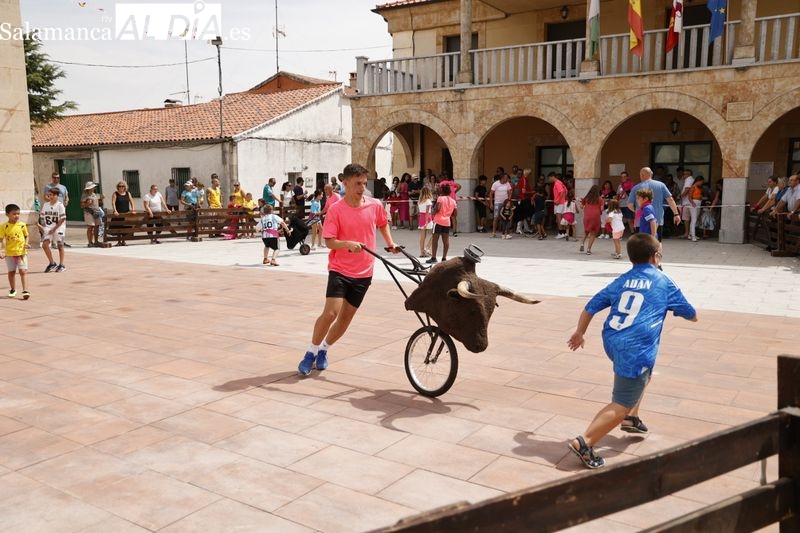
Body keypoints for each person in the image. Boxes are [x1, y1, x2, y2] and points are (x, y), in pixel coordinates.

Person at [567, 233, 697, 469]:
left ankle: (631, 418)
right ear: (655, 257)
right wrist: (680, 311)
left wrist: (580, 332)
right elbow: (692, 314)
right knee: (621, 401)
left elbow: (590, 307)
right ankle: (584, 442)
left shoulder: (622, 280)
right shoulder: (664, 281)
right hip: (635, 349)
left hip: (612, 341)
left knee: (643, 376)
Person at [297, 163, 399, 376]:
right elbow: (330, 242)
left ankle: (324, 350)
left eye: (364, 183)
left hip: (364, 272)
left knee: (345, 319)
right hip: (340, 270)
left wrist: (390, 243)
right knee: (330, 313)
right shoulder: (336, 209)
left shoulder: (374, 205)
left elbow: (382, 223)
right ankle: (310, 352)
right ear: (345, 183)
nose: (362, 188)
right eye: (357, 183)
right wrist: (348, 244)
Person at [627, 167, 681, 241]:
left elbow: (629, 205)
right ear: (651, 175)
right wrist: (676, 214)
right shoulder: (661, 185)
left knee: (641, 243)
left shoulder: (636, 187)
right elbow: (670, 200)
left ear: (642, 175)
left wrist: (637, 211)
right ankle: (657, 253)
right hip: (658, 220)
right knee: (657, 242)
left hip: (641, 221)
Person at [0, 204, 31, 299]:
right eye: (14, 214)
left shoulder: (22, 225)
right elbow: (2, 239)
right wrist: (2, 250)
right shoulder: (4, 226)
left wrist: (26, 243)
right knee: (11, 272)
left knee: (23, 271)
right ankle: (13, 289)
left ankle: (25, 290)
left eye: (18, 213)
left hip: (21, 252)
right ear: (7, 214)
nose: (17, 216)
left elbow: (27, 236)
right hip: (10, 253)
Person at [427, 183, 457, 263]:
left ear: (442, 191)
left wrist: (433, 212)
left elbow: (438, 208)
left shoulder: (440, 198)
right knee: (446, 241)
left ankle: (433, 258)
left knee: (435, 240)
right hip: (447, 221)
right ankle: (444, 258)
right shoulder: (453, 201)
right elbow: (455, 213)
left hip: (438, 220)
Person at [37, 189, 66, 272]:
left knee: (60, 245)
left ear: (57, 195)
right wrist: (43, 226)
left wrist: (54, 228)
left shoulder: (60, 205)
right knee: (45, 245)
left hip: (59, 227)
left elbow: (62, 219)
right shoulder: (46, 205)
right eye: (49, 195)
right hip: (49, 228)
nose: (50, 196)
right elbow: (42, 217)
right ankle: (52, 263)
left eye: (52, 195)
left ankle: (62, 265)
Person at [42, 172, 72, 248]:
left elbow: (66, 196)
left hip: (61, 208)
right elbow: (45, 197)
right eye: (54, 177)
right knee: (53, 224)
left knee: (62, 224)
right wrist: (51, 200)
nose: (56, 179)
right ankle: (53, 242)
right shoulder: (48, 187)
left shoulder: (63, 187)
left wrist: (66, 201)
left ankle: (61, 241)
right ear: (52, 178)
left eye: (58, 177)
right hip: (52, 209)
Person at [580, 185, 604, 255]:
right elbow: (602, 209)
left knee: (586, 231)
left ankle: (582, 244)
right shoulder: (600, 199)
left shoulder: (587, 198)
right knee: (593, 233)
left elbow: (581, 206)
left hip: (587, 216)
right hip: (596, 216)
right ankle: (588, 249)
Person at [111, 181, 136, 246]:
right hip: (118, 214)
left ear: (125, 187)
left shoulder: (128, 193)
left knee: (125, 228)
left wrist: (133, 209)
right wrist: (115, 211)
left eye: (122, 186)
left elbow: (132, 201)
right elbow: (113, 203)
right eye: (120, 186)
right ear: (118, 187)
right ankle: (119, 241)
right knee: (118, 228)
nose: (121, 187)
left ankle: (123, 241)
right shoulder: (115, 194)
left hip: (126, 213)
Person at [437, 172, 461, 236]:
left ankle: (444, 231)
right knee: (453, 217)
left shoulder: (441, 183)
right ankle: (454, 231)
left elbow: (440, 192)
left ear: (441, 178)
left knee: (444, 216)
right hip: (453, 200)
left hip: (445, 200)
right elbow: (459, 186)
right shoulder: (451, 182)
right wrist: (454, 192)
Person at [490, 173, 513, 238]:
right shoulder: (495, 184)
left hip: (505, 203)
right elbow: (491, 194)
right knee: (496, 217)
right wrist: (491, 203)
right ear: (502, 178)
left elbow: (509, 192)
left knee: (507, 217)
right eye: (506, 178)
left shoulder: (507, 183)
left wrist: (509, 200)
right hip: (497, 203)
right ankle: (493, 232)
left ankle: (506, 233)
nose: (507, 179)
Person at [81, 181, 102, 247]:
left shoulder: (94, 194)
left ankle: (96, 241)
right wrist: (87, 203)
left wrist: (101, 200)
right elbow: (82, 205)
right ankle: (90, 242)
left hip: (96, 212)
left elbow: (98, 204)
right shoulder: (85, 195)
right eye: (92, 187)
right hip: (89, 212)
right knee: (90, 227)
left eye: (93, 187)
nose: (93, 188)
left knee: (97, 226)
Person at [416, 186, 434, 257]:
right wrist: (427, 221)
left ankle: (422, 252)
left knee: (422, 236)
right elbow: (427, 211)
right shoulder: (428, 200)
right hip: (427, 218)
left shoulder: (420, 201)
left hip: (421, 218)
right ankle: (427, 248)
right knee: (434, 234)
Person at [551, 173, 568, 239]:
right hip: (562, 203)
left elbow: (561, 192)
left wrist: (558, 200)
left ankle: (561, 233)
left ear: (553, 177)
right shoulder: (561, 183)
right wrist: (564, 199)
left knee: (559, 218)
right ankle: (563, 232)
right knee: (562, 218)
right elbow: (565, 191)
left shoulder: (557, 183)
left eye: (550, 178)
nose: (549, 179)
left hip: (559, 203)